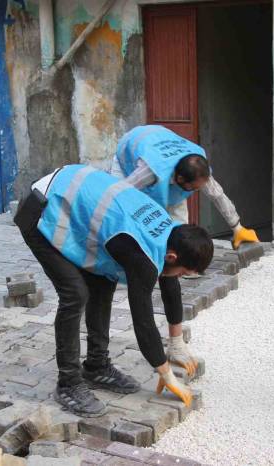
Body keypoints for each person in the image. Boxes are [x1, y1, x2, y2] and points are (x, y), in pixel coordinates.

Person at [15, 164, 213, 417]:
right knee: (75, 294)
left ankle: (96, 366)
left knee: (103, 280)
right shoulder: (143, 255)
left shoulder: (169, 234)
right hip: (41, 210)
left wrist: (176, 343)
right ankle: (68, 384)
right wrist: (165, 373)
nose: (181, 278)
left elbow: (171, 287)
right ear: (173, 256)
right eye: (185, 272)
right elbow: (143, 322)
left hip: (71, 196)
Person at [110, 124, 260, 377]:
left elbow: (217, 194)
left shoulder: (197, 168)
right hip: (127, 171)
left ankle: (176, 343)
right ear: (179, 180)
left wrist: (237, 226)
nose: (194, 193)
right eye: (191, 189)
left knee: (174, 258)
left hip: (164, 170)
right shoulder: (147, 172)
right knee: (156, 252)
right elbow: (117, 196)